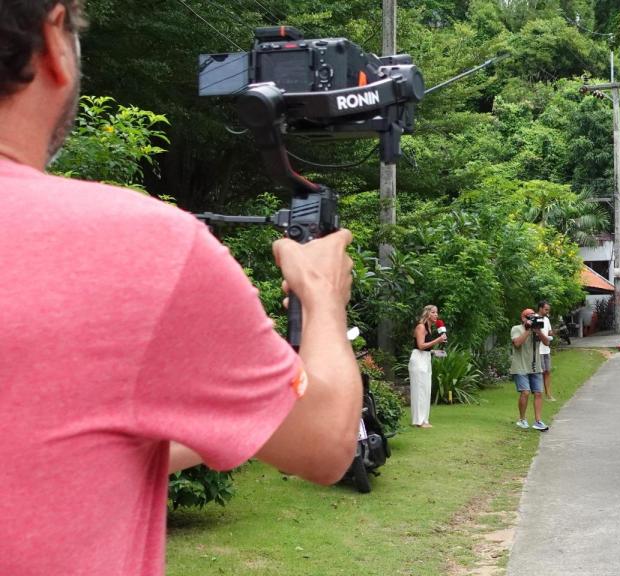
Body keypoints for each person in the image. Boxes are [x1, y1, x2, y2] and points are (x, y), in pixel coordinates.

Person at [0, 2, 362, 574]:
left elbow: (46, 445)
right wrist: (322, 297)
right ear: (51, 39)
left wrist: (223, 420)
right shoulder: (135, 247)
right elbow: (324, 442)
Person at [511, 308, 551, 431]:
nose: (532, 318)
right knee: (525, 392)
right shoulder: (516, 329)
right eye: (529, 316)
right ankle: (522, 419)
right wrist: (528, 330)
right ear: (523, 318)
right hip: (521, 366)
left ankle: (538, 421)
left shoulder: (537, 329)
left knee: (538, 393)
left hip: (535, 366)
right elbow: (517, 343)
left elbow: (546, 343)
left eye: (534, 316)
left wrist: (538, 331)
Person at [410, 304, 447, 428]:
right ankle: (419, 421)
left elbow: (426, 348)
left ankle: (424, 419)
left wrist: (436, 352)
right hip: (418, 360)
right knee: (419, 390)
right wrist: (438, 340)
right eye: (433, 312)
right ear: (427, 314)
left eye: (437, 312)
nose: (436, 315)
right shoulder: (421, 327)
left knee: (426, 390)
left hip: (425, 359)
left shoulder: (430, 328)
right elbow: (420, 346)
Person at [537, 299, 556, 401]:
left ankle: (548, 394)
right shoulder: (535, 319)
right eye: (546, 309)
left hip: (546, 350)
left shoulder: (547, 319)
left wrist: (552, 333)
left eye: (548, 310)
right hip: (538, 350)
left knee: (548, 371)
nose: (547, 312)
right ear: (540, 308)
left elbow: (549, 332)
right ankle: (538, 393)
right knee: (540, 373)